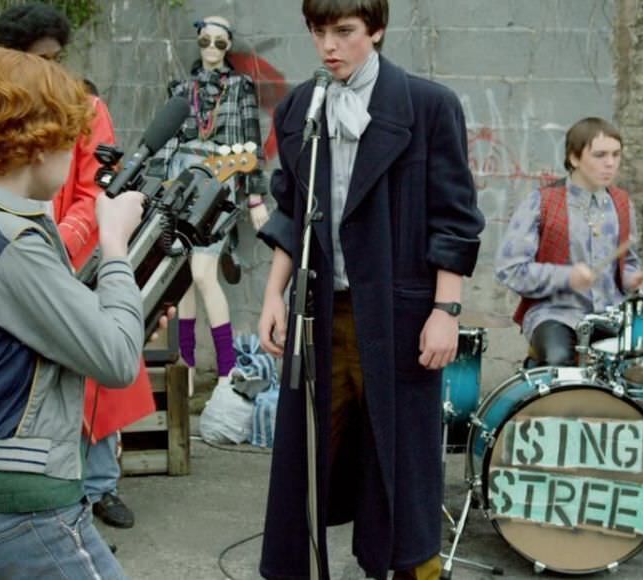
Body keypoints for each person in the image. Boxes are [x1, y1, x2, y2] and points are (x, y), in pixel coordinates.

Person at [254, 0, 484, 578]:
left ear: (376, 31)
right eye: (318, 32)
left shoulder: (428, 106)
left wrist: (445, 309)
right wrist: (272, 297)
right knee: (311, 450)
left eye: (345, 32)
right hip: (320, 311)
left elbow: (453, 217)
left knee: (400, 457)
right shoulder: (300, 109)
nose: (329, 45)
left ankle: (411, 567)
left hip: (398, 312)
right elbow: (291, 210)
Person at [0, 47, 148, 579]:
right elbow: (117, 357)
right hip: (25, 510)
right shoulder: (9, 241)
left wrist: (116, 297)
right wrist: (115, 244)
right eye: (71, 137)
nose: (77, 152)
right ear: (39, 145)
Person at [494, 117, 643, 499]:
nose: (610, 163)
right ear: (573, 157)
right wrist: (566, 276)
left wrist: (635, 278)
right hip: (555, 312)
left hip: (611, 313)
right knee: (559, 360)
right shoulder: (543, 201)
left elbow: (628, 261)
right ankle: (555, 470)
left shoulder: (620, 202)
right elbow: (510, 268)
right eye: (600, 155)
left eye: (615, 155)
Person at [0, 1, 148, 530]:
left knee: (95, 369)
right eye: (42, 59)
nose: (56, 70)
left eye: (59, 57)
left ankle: (100, 487)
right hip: (13, 264)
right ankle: (45, 489)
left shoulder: (86, 106)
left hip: (80, 258)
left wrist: (63, 241)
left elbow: (97, 187)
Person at [148, 15, 270, 393]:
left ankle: (226, 368)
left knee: (202, 271)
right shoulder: (181, 88)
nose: (213, 49)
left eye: (220, 43)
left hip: (220, 180)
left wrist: (254, 196)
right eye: (206, 42)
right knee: (180, 273)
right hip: (181, 179)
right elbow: (166, 142)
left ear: (229, 46)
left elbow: (251, 144)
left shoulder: (239, 87)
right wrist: (155, 189)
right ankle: (185, 362)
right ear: (198, 42)